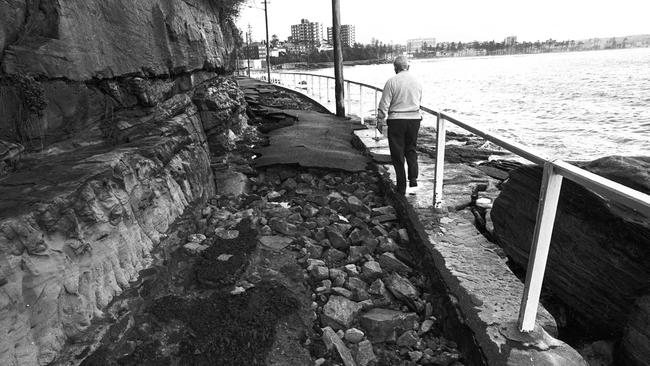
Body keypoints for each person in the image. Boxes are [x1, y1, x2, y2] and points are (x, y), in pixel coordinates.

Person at [377, 56, 423, 195]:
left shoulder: (391, 82)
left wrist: (380, 120)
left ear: (395, 68)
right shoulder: (417, 82)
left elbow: (384, 103)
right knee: (411, 148)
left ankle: (401, 186)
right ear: (408, 67)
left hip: (396, 120)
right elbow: (418, 101)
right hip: (414, 119)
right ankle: (413, 177)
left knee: (397, 153)